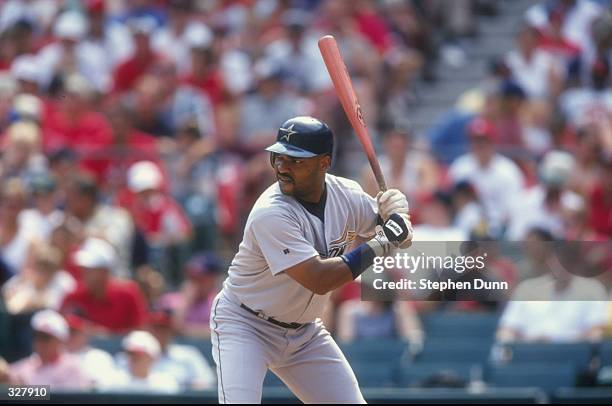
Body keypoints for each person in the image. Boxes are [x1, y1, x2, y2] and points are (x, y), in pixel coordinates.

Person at [209, 116, 413, 403]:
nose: (283, 168)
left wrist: (397, 216)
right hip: (246, 324)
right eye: (279, 158)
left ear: (324, 162)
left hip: (305, 333)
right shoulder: (271, 212)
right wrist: (384, 242)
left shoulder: (347, 195)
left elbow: (389, 229)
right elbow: (320, 279)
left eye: (296, 160)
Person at [60, 237, 148, 334]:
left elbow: (139, 332)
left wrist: (108, 336)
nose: (84, 273)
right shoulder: (73, 297)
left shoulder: (129, 294)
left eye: (90, 269)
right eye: (84, 268)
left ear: (105, 271)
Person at [9, 309, 90, 389]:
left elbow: (69, 400)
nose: (39, 342)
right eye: (36, 336)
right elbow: (5, 395)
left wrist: (26, 391)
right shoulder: (22, 367)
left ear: (59, 340)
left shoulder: (73, 367)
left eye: (45, 338)